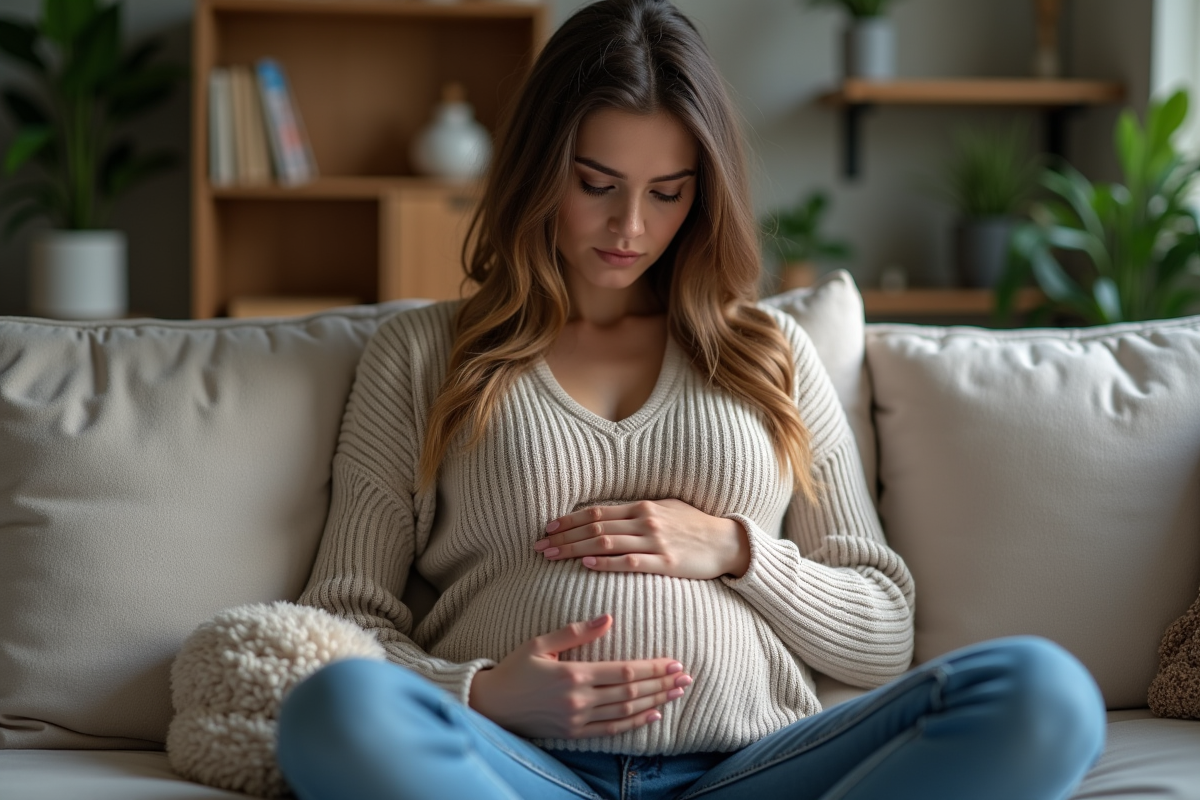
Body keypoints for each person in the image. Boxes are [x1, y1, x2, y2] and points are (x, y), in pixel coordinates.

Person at [275, 1, 1106, 797]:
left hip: (753, 771)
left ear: (703, 193)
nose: (630, 226)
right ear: (536, 170)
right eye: (596, 184)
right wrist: (482, 694)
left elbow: (882, 630)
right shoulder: (423, 354)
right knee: (336, 710)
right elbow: (338, 627)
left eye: (667, 192)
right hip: (519, 772)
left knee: (1045, 692)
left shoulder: (770, 355)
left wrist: (735, 548)